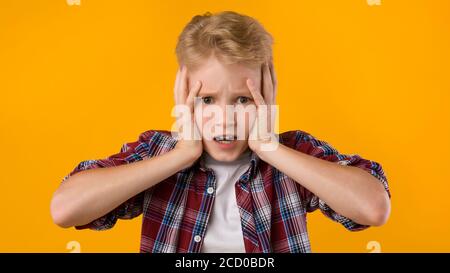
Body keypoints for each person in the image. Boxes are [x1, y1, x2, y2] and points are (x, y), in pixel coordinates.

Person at [50, 11, 391, 253]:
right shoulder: (158, 151)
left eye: (243, 99)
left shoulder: (291, 154)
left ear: (267, 96)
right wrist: (181, 156)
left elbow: (374, 208)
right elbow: (66, 210)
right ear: (183, 97)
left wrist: (269, 148)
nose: (225, 118)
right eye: (207, 100)